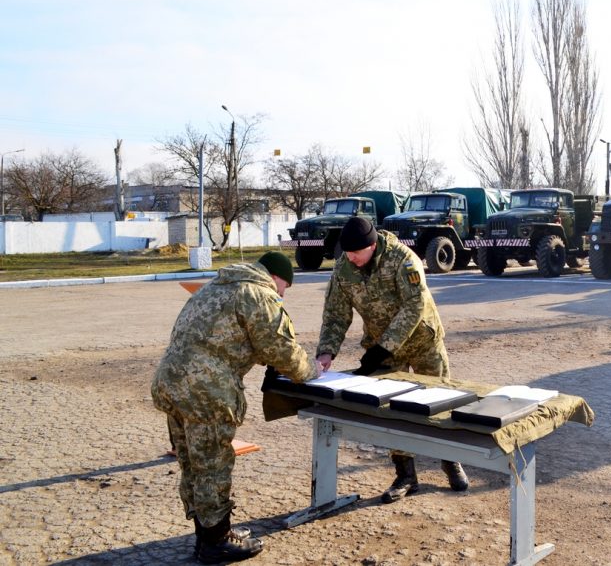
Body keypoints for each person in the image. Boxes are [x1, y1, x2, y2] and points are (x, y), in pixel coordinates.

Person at [152, 251, 320, 564]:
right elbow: (282, 349)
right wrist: (312, 370)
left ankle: (208, 535)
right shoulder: (258, 294)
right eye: (284, 286)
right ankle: (216, 543)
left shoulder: (213, 288)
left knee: (193, 463)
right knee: (213, 466)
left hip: (170, 384)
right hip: (205, 392)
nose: (282, 293)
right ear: (275, 276)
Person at [316, 216, 469, 503]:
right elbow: (335, 314)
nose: (351, 258)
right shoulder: (344, 268)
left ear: (372, 245)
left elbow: (415, 305)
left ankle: (451, 460)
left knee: (440, 404)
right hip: (383, 350)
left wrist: (382, 347)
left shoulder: (403, 259)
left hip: (424, 342)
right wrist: (326, 352)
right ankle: (406, 475)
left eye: (356, 253)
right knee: (392, 412)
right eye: (346, 253)